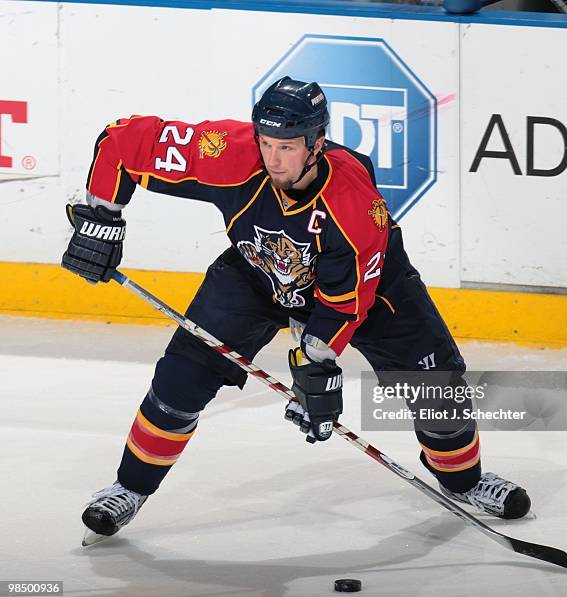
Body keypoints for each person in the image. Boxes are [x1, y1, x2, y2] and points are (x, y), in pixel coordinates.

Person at [62, 77, 531, 545]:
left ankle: (465, 482)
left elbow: (344, 304)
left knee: (440, 395)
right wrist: (102, 220)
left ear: (316, 144)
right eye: (265, 143)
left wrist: (314, 369)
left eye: (285, 147)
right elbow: (123, 141)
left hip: (372, 289)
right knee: (180, 381)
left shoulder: (354, 205)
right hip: (255, 273)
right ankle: (128, 487)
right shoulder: (229, 151)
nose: (271, 158)